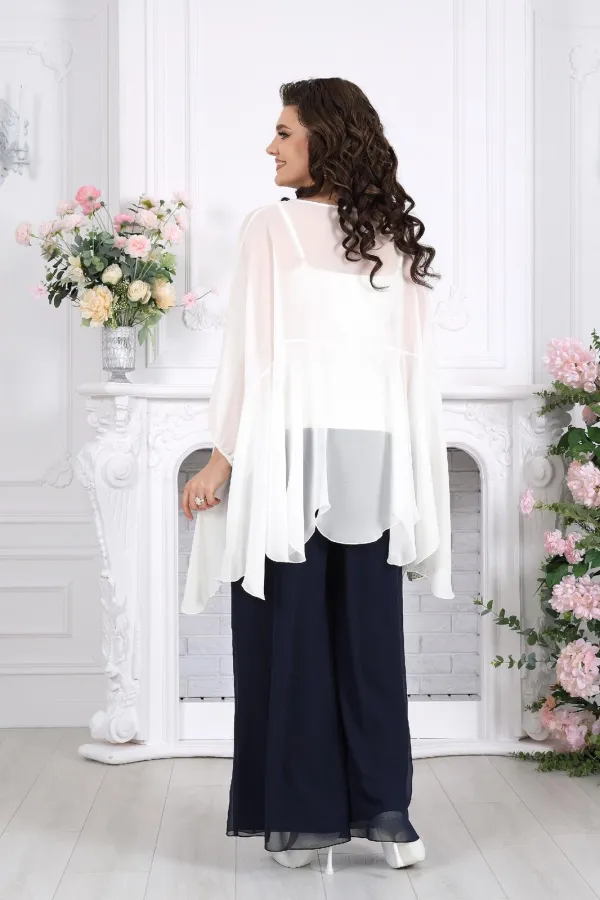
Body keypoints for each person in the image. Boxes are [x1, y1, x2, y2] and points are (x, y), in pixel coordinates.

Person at [181, 77, 454, 874]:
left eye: (284, 132)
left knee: (370, 643)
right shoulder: (272, 227)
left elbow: (413, 370)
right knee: (291, 636)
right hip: (289, 454)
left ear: (325, 138)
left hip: (368, 456)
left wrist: (418, 478)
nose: (270, 146)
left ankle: (387, 813)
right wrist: (223, 453)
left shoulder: (392, 238)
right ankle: (302, 816)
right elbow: (251, 354)